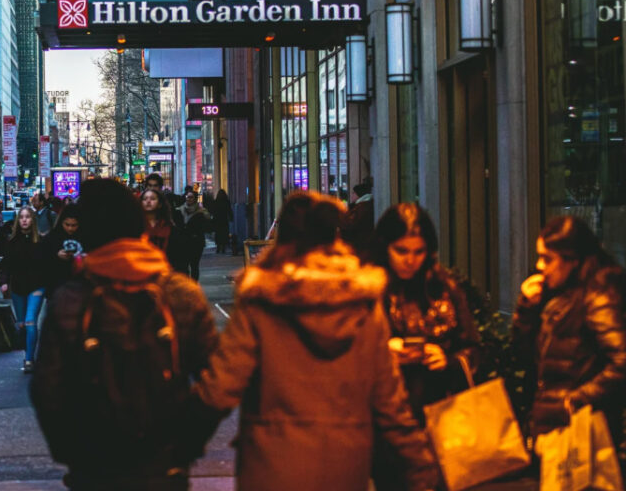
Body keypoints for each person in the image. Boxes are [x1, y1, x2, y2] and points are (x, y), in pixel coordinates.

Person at [189, 191, 439, 491]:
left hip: (273, 465)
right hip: (345, 466)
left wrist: (180, 447)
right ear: (335, 238)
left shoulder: (262, 302)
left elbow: (221, 386)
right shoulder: (361, 305)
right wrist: (420, 466)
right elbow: (390, 401)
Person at [31, 179, 218, 491]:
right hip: (164, 459)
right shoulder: (180, 294)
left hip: (95, 463)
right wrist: (188, 442)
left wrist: (73, 452)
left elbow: (47, 387)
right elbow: (217, 377)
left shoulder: (70, 299)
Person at [371, 203, 480, 491]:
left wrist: (449, 360)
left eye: (418, 252)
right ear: (385, 247)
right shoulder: (370, 290)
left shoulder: (443, 287)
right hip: (387, 426)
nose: (410, 260)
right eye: (401, 251)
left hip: (441, 417)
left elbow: (473, 347)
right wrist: (383, 352)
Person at [512, 215, 626, 448]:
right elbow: (525, 356)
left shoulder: (598, 295)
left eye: (547, 258)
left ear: (572, 260)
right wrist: (527, 309)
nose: (540, 266)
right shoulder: (560, 293)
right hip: (553, 427)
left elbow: (621, 361)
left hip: (579, 433)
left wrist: (576, 401)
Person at [0, 207, 46, 373]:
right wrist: (4, 282)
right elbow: (6, 264)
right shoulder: (12, 242)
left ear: (33, 220)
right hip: (18, 287)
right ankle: (29, 354)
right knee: (21, 325)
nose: (24, 220)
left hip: (36, 286)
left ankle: (29, 360)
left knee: (30, 321)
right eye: (22, 217)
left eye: (27, 217)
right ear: (18, 221)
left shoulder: (40, 241)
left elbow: (47, 265)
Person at [141, 188, 188, 274]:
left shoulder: (170, 229)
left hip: (166, 273)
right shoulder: (136, 228)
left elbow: (179, 258)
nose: (148, 201)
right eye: (145, 199)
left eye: (152, 198)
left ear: (160, 204)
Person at [40, 203, 83, 297]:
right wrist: (56, 255)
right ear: (61, 222)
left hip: (79, 288)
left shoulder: (85, 237)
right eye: (67, 224)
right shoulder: (52, 237)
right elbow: (42, 258)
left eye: (74, 225)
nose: (70, 228)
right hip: (57, 288)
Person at [176, 189, 210, 281]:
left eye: (191, 197)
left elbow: (206, 225)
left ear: (195, 199)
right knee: (184, 265)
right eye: (187, 197)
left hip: (196, 242)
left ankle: (194, 284)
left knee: (194, 265)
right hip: (183, 242)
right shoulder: (179, 210)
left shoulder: (201, 212)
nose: (188, 199)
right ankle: (187, 284)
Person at [209, 189, 232, 254]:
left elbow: (213, 211)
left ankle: (218, 247)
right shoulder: (226, 202)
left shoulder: (216, 201)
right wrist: (231, 217)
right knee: (224, 233)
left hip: (217, 220)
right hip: (224, 220)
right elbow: (229, 210)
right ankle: (223, 248)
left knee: (218, 234)